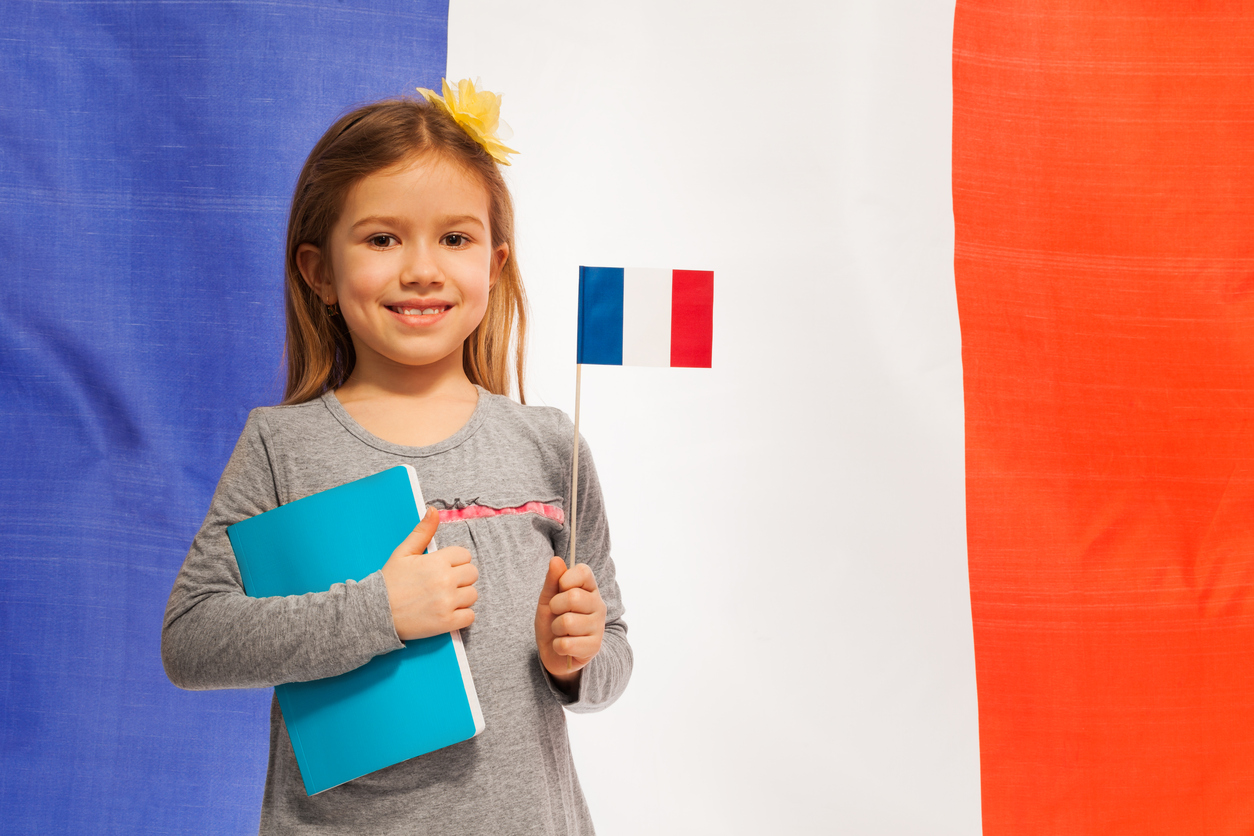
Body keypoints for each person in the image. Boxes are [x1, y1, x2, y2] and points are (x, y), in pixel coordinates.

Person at [161, 79, 631, 835]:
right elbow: (192, 641)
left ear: (495, 263)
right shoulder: (283, 446)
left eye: (455, 238)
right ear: (319, 271)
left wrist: (574, 661)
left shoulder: (549, 445)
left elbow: (611, 656)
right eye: (383, 239)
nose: (422, 269)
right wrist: (378, 611)